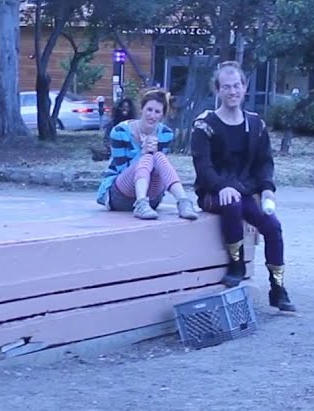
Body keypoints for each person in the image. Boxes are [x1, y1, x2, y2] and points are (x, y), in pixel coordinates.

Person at [191, 62, 293, 311]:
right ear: (218, 90)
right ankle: (236, 264)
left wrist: (267, 188)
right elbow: (203, 168)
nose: (232, 91)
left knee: (273, 226)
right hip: (212, 193)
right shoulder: (204, 124)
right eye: (226, 86)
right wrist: (220, 186)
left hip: (245, 191)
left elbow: (264, 162)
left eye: (237, 85)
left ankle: (277, 288)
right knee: (232, 202)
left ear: (245, 88)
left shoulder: (256, 125)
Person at [97, 88, 198, 221]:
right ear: (142, 109)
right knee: (148, 157)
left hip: (152, 196)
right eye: (149, 110)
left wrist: (152, 152)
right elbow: (122, 169)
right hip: (120, 194)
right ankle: (141, 204)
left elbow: (158, 170)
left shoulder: (165, 134)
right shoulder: (120, 131)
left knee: (158, 156)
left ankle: (183, 201)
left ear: (162, 115)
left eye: (157, 112)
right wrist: (142, 153)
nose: (152, 115)